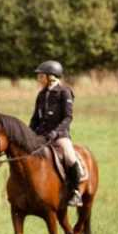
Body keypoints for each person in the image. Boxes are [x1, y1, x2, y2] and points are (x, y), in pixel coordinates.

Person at [28, 60, 83, 207]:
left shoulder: (65, 92)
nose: (38, 79)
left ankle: (76, 192)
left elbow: (68, 117)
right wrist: (28, 134)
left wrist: (55, 133)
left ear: (51, 76)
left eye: (41, 76)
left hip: (60, 135)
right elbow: (35, 118)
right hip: (41, 135)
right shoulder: (41, 94)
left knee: (70, 158)